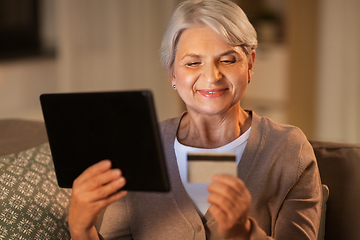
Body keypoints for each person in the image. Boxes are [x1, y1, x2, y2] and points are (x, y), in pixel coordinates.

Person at [68, 0, 323, 239]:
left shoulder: (290, 150)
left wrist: (243, 233)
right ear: (172, 73)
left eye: (227, 59)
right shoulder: (137, 148)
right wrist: (81, 229)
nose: (212, 77)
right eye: (193, 63)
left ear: (250, 64)